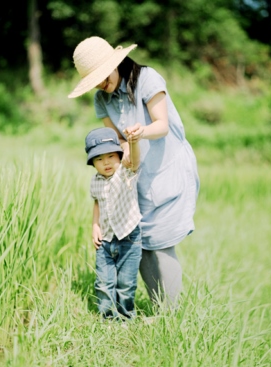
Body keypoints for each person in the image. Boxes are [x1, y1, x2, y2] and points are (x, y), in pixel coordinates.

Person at [70, 36, 200, 309]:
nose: (101, 85)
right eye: (94, 81)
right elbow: (114, 140)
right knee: (139, 242)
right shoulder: (101, 99)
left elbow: (162, 125)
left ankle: (172, 314)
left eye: (103, 77)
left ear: (114, 64)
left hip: (166, 168)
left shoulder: (147, 79)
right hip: (135, 175)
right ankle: (161, 307)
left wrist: (140, 133)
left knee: (161, 242)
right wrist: (120, 156)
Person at [85, 126, 143, 319]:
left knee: (126, 283)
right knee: (104, 282)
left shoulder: (125, 173)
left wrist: (132, 143)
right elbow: (97, 203)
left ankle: (126, 316)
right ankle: (107, 318)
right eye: (99, 159)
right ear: (93, 163)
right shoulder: (96, 181)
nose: (106, 162)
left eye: (110, 156)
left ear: (119, 155)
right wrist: (95, 226)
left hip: (129, 238)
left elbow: (134, 160)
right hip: (106, 240)